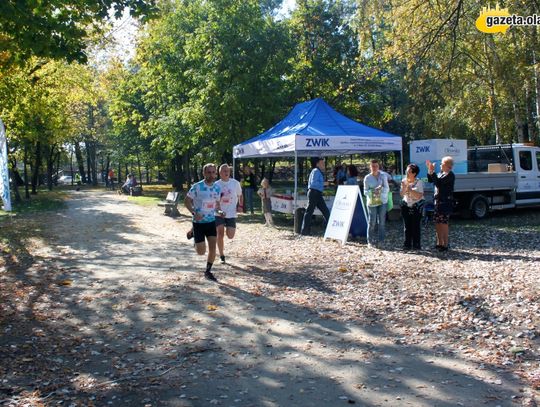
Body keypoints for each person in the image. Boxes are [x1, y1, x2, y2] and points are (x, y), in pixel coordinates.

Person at [184, 163, 223, 282]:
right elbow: (186, 201)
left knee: (213, 248)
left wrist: (220, 211)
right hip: (198, 223)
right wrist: (194, 213)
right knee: (201, 252)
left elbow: (216, 205)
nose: (211, 175)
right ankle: (194, 233)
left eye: (213, 172)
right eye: (209, 172)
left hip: (211, 222)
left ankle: (208, 271)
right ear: (204, 173)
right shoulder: (197, 187)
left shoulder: (217, 188)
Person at [215, 164, 243, 264]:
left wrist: (240, 205)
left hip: (231, 212)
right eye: (224, 171)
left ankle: (227, 228)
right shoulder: (216, 185)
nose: (226, 172)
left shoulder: (235, 183)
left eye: (227, 171)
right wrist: (218, 210)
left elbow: (240, 195)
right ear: (220, 173)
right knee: (220, 233)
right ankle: (222, 255)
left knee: (230, 235)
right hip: (219, 213)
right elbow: (214, 200)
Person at [427, 156, 455, 252]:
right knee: (437, 223)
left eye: (442, 163)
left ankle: (445, 244)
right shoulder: (441, 174)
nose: (440, 165)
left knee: (444, 223)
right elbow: (431, 180)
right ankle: (439, 243)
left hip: (445, 203)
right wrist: (430, 170)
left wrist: (433, 172)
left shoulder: (450, 175)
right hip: (438, 202)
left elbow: (439, 183)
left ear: (447, 165)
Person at [363, 159, 389, 248]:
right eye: (373, 166)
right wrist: (373, 191)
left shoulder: (383, 176)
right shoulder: (367, 178)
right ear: (370, 167)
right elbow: (365, 192)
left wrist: (380, 191)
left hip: (382, 201)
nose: (375, 168)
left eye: (376, 166)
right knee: (372, 222)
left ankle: (381, 241)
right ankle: (370, 241)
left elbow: (387, 188)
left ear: (379, 167)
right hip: (372, 203)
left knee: (382, 222)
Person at [301, 157, 330, 235]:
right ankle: (305, 231)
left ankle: (330, 230)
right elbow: (313, 184)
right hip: (314, 193)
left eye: (324, 163)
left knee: (325, 211)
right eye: (322, 163)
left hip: (316, 193)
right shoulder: (316, 171)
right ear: (317, 164)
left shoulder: (317, 171)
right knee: (310, 211)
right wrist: (324, 183)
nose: (323, 164)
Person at [400, 163, 424, 251]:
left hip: (416, 205)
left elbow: (419, 196)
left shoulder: (419, 182)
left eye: (409, 171)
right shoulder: (404, 181)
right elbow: (401, 194)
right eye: (407, 170)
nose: (407, 172)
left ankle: (416, 244)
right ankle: (407, 244)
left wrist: (410, 190)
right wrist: (403, 188)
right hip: (406, 204)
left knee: (415, 225)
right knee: (407, 225)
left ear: (414, 173)